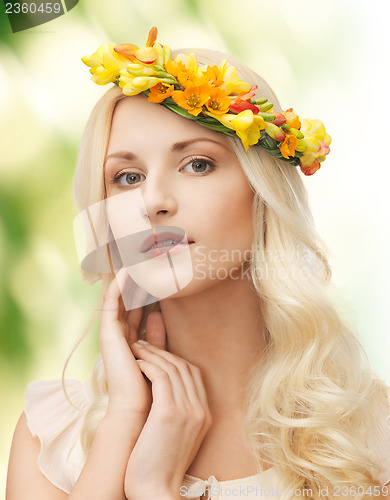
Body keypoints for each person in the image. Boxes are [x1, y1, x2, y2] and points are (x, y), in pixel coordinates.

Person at [6, 27, 390, 500]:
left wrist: (152, 488)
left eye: (197, 165)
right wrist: (121, 423)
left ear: (262, 192)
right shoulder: (53, 436)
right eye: (127, 177)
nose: (153, 202)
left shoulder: (370, 434)